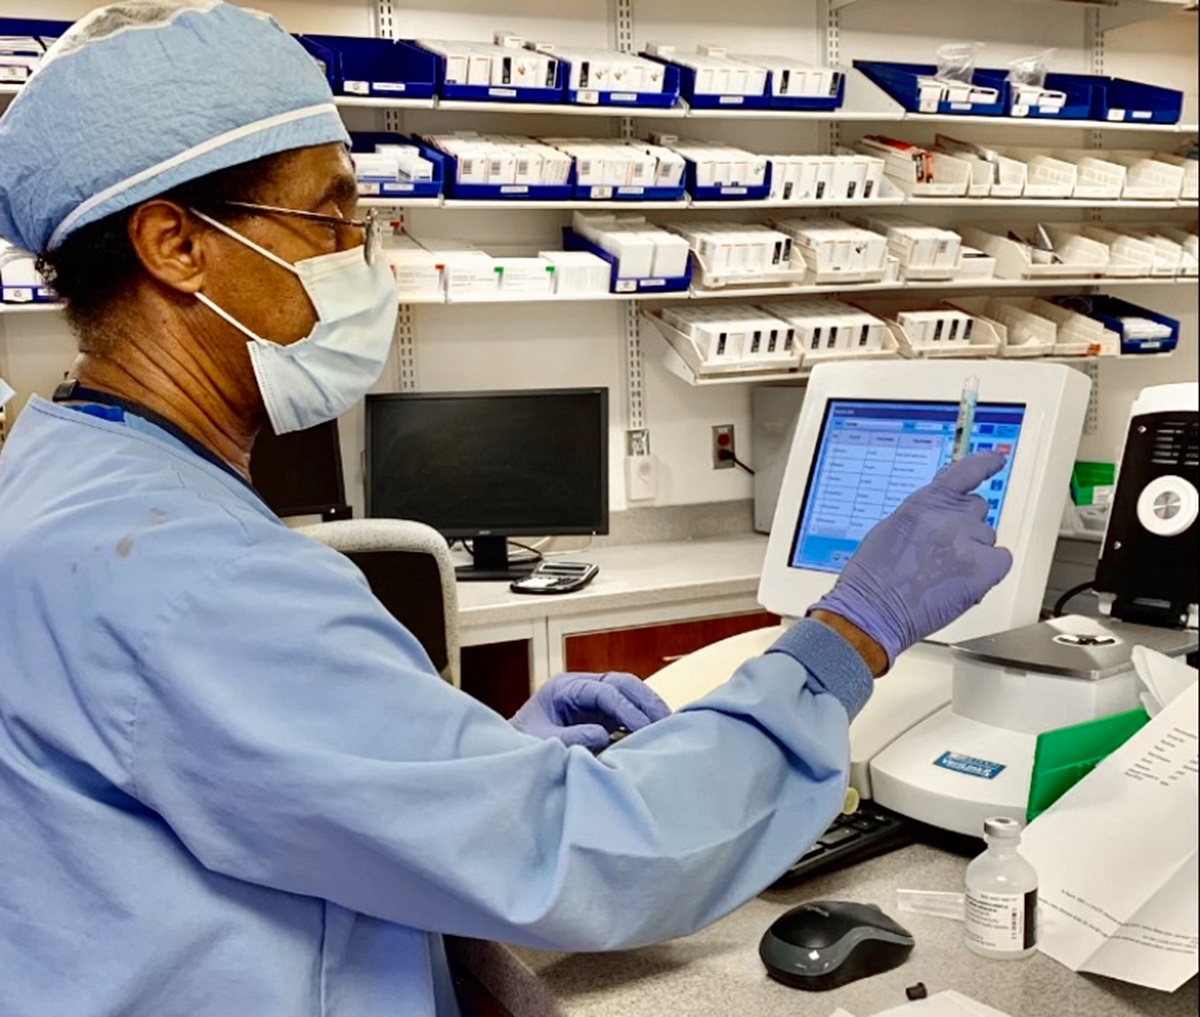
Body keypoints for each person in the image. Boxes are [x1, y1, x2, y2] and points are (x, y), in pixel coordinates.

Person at [0, 4, 1012, 1016]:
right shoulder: (191, 575)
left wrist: (469, 759)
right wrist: (851, 633)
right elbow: (601, 855)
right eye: (332, 221)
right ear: (176, 245)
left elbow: (242, 778)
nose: (367, 256)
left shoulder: (63, 477)